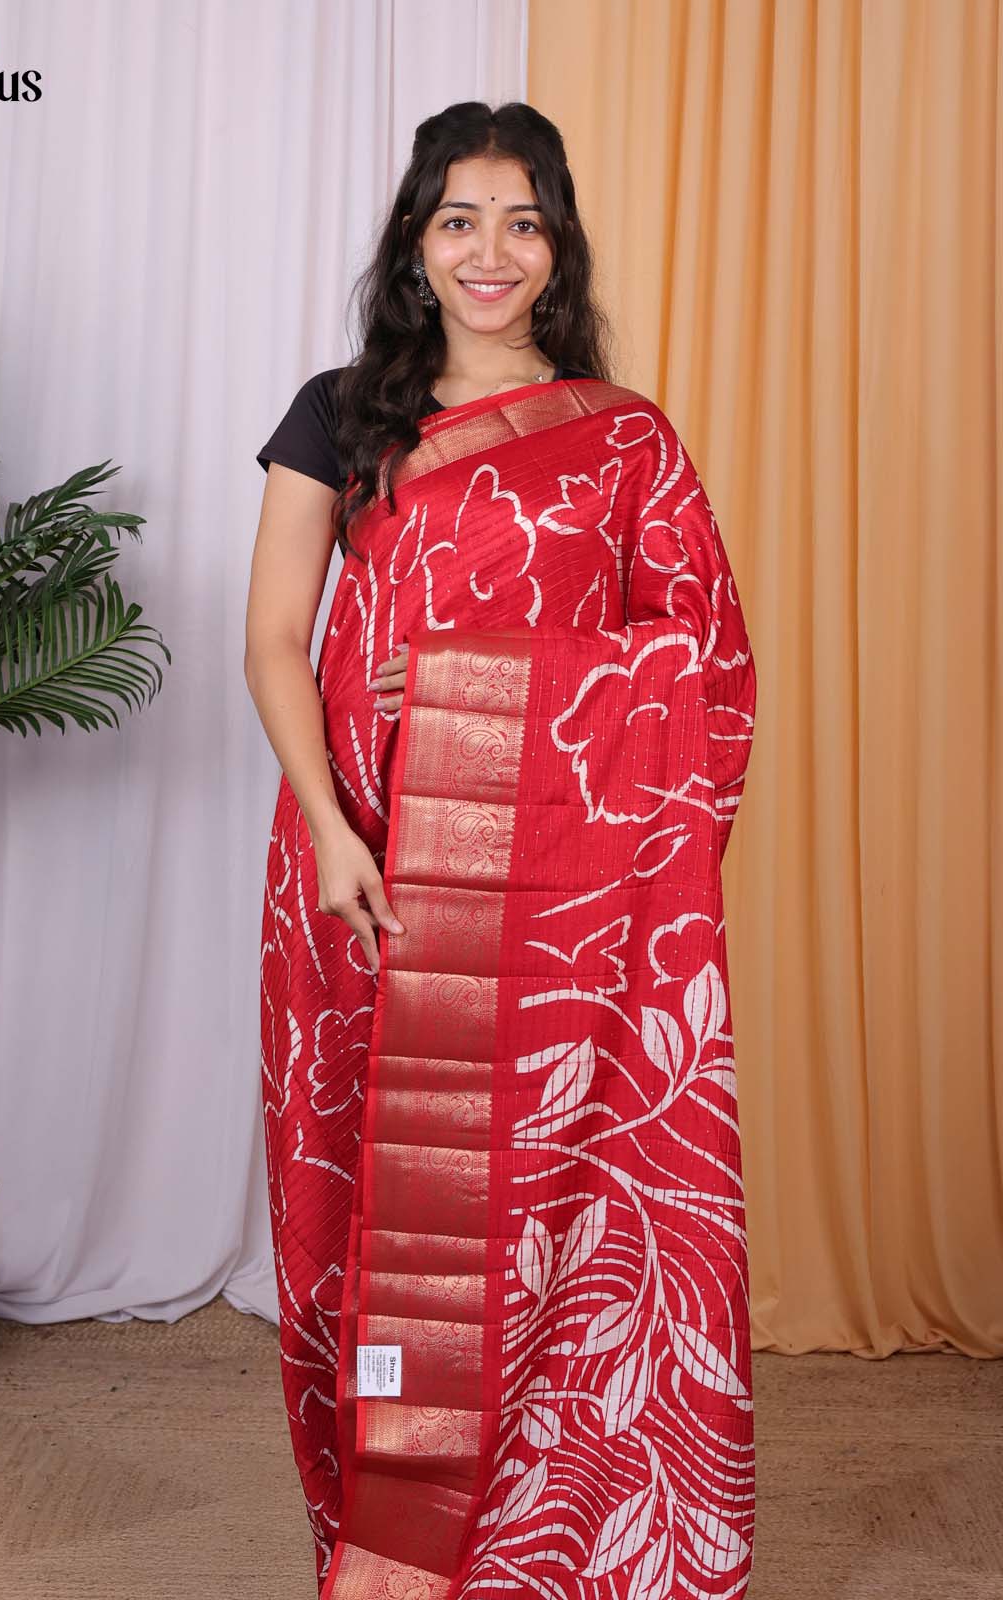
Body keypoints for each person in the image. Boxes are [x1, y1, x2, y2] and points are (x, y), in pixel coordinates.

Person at [244, 100, 758, 1600]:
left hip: (561, 905)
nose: (491, 251)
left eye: (521, 219)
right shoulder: (343, 413)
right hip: (368, 867)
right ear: (416, 242)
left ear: (557, 245)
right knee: (368, 1200)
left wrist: (491, 685)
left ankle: (565, 1546)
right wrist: (334, 831)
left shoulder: (622, 440)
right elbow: (279, 640)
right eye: (458, 218)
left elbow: (704, 667)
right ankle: (395, 1544)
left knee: (555, 1196)